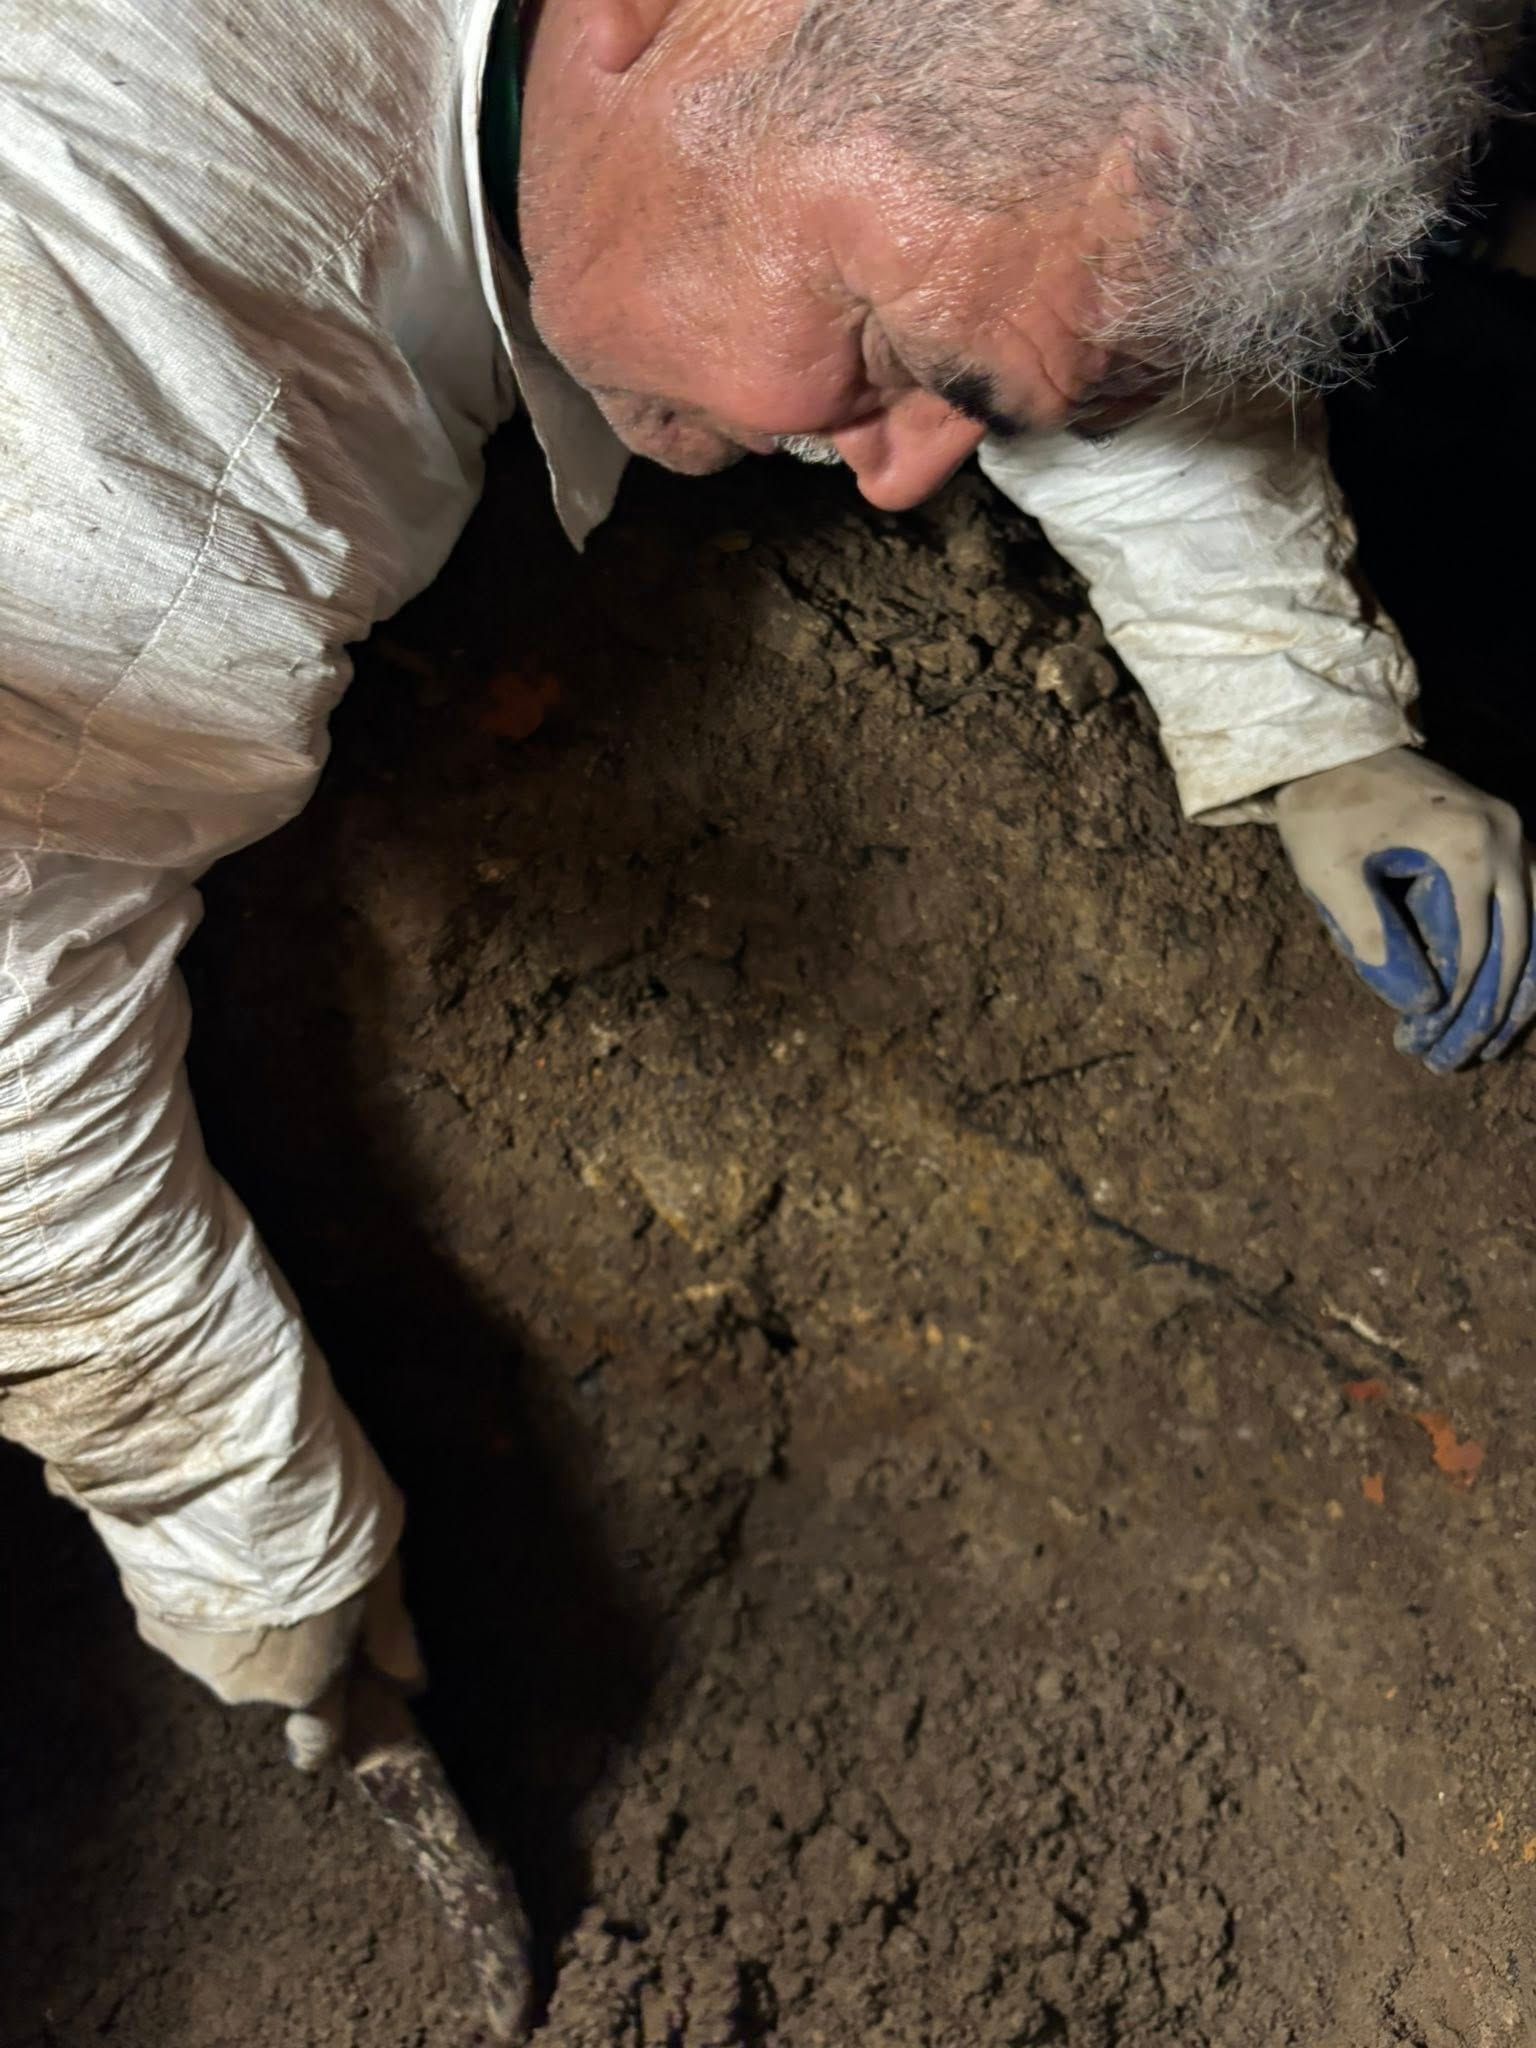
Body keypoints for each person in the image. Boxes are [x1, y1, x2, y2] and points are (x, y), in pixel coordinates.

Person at [0, 0, 1525, 1766]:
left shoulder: (781, 99)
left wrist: (1300, 704)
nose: (891, 484)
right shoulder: (124, 471)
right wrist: (246, 1531)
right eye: (886, 356)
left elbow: (1047, 238)